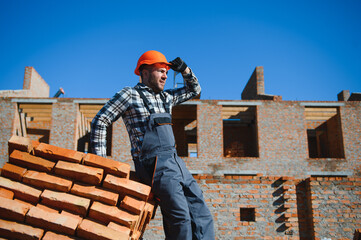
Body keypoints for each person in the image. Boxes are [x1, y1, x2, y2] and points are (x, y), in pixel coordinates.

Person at [90, 50, 215, 239]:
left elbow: (194, 91)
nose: (165, 75)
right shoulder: (129, 95)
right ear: (145, 72)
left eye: (166, 72)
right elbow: (100, 121)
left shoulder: (166, 97)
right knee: (180, 217)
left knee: (201, 213)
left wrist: (185, 70)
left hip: (175, 162)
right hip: (155, 166)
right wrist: (101, 163)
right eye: (160, 71)